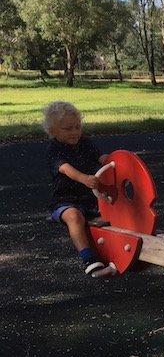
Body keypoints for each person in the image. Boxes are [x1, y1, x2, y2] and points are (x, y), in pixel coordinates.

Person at [43, 101, 115, 278]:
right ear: (53, 131)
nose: (74, 132)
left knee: (114, 208)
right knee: (74, 217)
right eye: (68, 129)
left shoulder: (85, 143)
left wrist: (118, 160)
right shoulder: (54, 149)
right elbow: (65, 168)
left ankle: (143, 236)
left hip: (90, 197)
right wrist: (84, 178)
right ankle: (89, 258)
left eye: (77, 127)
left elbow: (102, 158)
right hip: (65, 200)